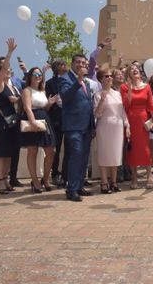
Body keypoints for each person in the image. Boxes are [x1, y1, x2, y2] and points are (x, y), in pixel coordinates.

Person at [59, 54, 95, 202]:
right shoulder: (65, 79)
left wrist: (92, 125)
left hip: (86, 126)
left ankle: (79, 185)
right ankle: (71, 189)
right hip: (73, 126)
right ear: (72, 64)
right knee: (76, 155)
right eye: (78, 62)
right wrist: (78, 80)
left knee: (84, 157)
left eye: (84, 63)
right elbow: (66, 96)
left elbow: (88, 104)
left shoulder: (86, 83)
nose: (81, 65)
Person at [0, 39, 22, 194]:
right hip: (2, 123)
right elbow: (3, 69)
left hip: (14, 123)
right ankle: (1, 181)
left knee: (10, 153)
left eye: (10, 69)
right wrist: (9, 53)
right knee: (1, 153)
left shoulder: (13, 86)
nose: (9, 70)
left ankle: (8, 179)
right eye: (6, 69)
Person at [21, 66, 57, 193]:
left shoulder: (43, 91)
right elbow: (27, 108)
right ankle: (35, 181)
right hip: (34, 120)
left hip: (45, 120)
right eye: (35, 74)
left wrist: (50, 103)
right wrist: (33, 122)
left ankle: (45, 179)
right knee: (33, 151)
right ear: (30, 76)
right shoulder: (27, 90)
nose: (38, 76)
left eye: (39, 74)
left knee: (51, 151)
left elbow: (44, 108)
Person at [121, 63, 153, 189]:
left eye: (137, 69)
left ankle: (149, 175)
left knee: (145, 148)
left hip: (143, 120)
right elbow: (126, 104)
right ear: (129, 74)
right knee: (132, 149)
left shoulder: (146, 87)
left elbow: (150, 104)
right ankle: (134, 177)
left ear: (140, 72)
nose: (135, 70)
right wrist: (130, 88)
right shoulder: (124, 87)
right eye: (132, 70)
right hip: (130, 119)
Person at [94, 68, 129, 193]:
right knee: (104, 154)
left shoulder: (117, 93)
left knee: (116, 155)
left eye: (110, 76)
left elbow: (122, 111)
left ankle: (113, 182)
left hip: (118, 127)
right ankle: (104, 183)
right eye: (106, 76)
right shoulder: (98, 94)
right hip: (104, 126)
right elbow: (97, 114)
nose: (109, 78)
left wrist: (127, 125)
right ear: (101, 79)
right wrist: (102, 100)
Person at [45, 59, 67, 187]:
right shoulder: (50, 83)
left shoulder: (71, 80)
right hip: (56, 119)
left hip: (69, 118)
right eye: (61, 64)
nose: (65, 66)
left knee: (69, 148)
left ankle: (66, 174)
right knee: (56, 148)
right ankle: (55, 174)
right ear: (56, 68)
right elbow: (48, 100)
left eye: (65, 64)